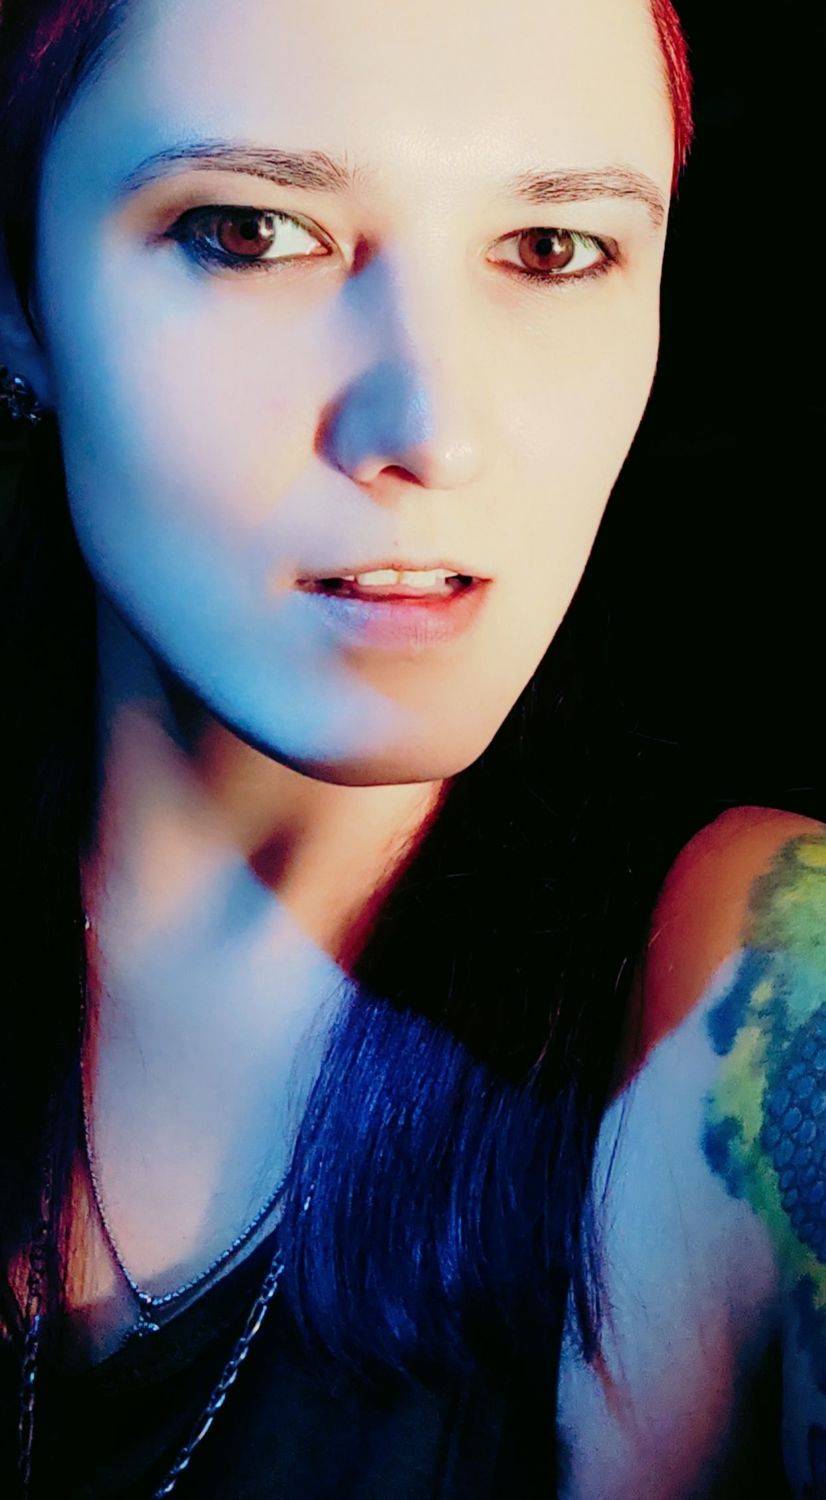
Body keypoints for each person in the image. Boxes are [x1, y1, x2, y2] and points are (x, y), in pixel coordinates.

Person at [0, 0, 821, 1494]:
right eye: (251, 233)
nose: (433, 431)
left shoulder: (766, 1000)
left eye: (553, 248)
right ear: (15, 292)